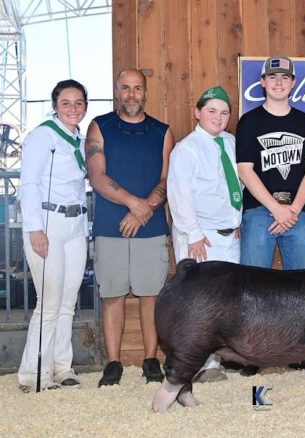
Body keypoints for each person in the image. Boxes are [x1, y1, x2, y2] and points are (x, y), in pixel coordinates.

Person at [235, 56, 305, 376]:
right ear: (261, 82)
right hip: (261, 210)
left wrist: (293, 211)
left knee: (304, 287)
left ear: (293, 83)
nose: (278, 82)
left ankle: (302, 353)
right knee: (252, 287)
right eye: (272, 77)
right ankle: (251, 354)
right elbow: (245, 171)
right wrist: (276, 209)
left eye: (284, 77)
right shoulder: (249, 121)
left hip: (297, 211)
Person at [86, 69, 174, 386]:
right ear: (117, 91)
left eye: (138, 88)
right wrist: (133, 203)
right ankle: (113, 363)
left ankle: (151, 360)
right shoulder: (100, 127)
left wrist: (144, 208)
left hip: (150, 226)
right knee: (113, 296)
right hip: (110, 226)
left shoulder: (162, 131)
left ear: (146, 92)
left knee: (151, 296)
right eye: (126, 88)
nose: (132, 94)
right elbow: (97, 176)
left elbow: (167, 178)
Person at [18, 79, 89, 392]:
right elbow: (29, 183)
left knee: (67, 302)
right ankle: (34, 374)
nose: (72, 109)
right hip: (48, 221)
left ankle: (62, 367)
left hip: (76, 223)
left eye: (78, 103)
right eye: (66, 103)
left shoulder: (81, 140)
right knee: (49, 302)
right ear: (55, 105)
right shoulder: (42, 136)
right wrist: (35, 228)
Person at [167, 85, 242, 383]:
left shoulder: (231, 142)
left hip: (228, 233)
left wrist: (236, 221)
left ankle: (215, 360)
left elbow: (235, 185)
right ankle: (193, 363)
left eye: (224, 112)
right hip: (201, 234)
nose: (218, 117)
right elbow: (179, 194)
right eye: (211, 110)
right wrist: (194, 233)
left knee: (224, 300)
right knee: (197, 300)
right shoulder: (186, 149)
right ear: (197, 113)